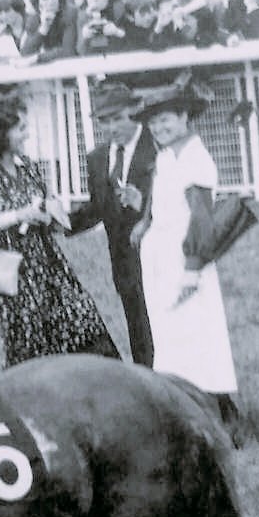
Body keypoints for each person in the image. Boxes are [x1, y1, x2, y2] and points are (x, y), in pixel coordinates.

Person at [0, 94, 119, 367]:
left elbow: (45, 198)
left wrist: (48, 211)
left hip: (49, 266)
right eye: (21, 128)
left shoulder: (28, 166)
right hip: (13, 276)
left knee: (83, 324)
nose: (27, 134)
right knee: (30, 347)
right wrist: (17, 216)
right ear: (1, 133)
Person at [129, 84, 240, 424]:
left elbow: (201, 215)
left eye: (165, 121)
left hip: (186, 255)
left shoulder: (196, 157)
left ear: (184, 117)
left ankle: (218, 415)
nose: (159, 129)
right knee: (170, 335)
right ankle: (182, 411)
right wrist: (145, 221)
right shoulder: (165, 155)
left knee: (197, 334)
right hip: (160, 254)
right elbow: (160, 196)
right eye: (153, 124)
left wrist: (192, 268)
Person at [68, 83, 157, 367]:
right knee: (139, 332)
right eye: (104, 121)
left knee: (170, 330)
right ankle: (149, 391)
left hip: (159, 256)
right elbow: (98, 208)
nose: (111, 127)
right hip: (123, 261)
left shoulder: (158, 147)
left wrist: (142, 205)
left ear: (135, 111)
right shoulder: (97, 158)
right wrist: (59, 221)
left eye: (117, 118)